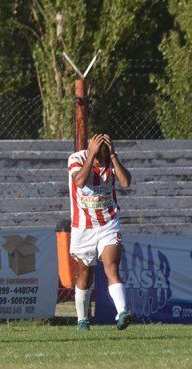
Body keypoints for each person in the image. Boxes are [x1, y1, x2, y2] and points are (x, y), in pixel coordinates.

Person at [68, 133, 134, 331]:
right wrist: (91, 156)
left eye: (102, 158)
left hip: (108, 223)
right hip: (83, 227)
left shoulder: (110, 160)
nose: (100, 161)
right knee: (85, 274)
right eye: (99, 157)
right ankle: (82, 320)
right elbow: (79, 182)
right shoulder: (76, 159)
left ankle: (122, 313)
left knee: (112, 267)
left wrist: (112, 156)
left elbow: (126, 182)